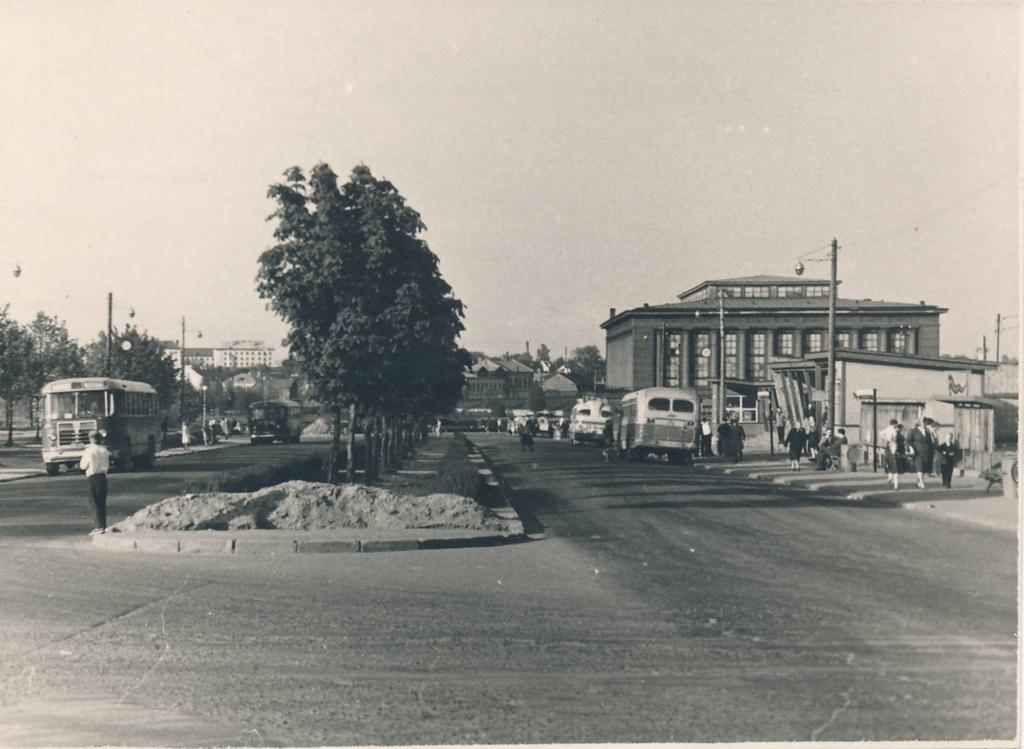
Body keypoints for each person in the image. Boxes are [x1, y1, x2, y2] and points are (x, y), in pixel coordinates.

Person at [79, 430, 111, 535]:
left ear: (91, 439)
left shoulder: (89, 450)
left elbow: (82, 465)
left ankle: (98, 526)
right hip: (103, 477)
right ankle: (103, 525)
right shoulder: (104, 450)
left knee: (94, 502)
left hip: (93, 477)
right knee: (102, 502)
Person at [908, 420, 932, 489]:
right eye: (923, 422)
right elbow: (908, 440)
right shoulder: (914, 430)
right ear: (919, 423)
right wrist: (911, 448)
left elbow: (929, 441)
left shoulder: (927, 430)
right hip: (917, 452)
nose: (924, 424)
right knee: (920, 467)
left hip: (926, 452)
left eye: (925, 422)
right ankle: (922, 483)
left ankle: (918, 482)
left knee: (923, 468)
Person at [884, 423, 906, 489]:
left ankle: (896, 486)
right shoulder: (889, 448)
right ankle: (889, 482)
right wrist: (886, 463)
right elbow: (886, 456)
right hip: (891, 462)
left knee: (896, 474)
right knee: (891, 474)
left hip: (896, 461)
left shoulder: (896, 447)